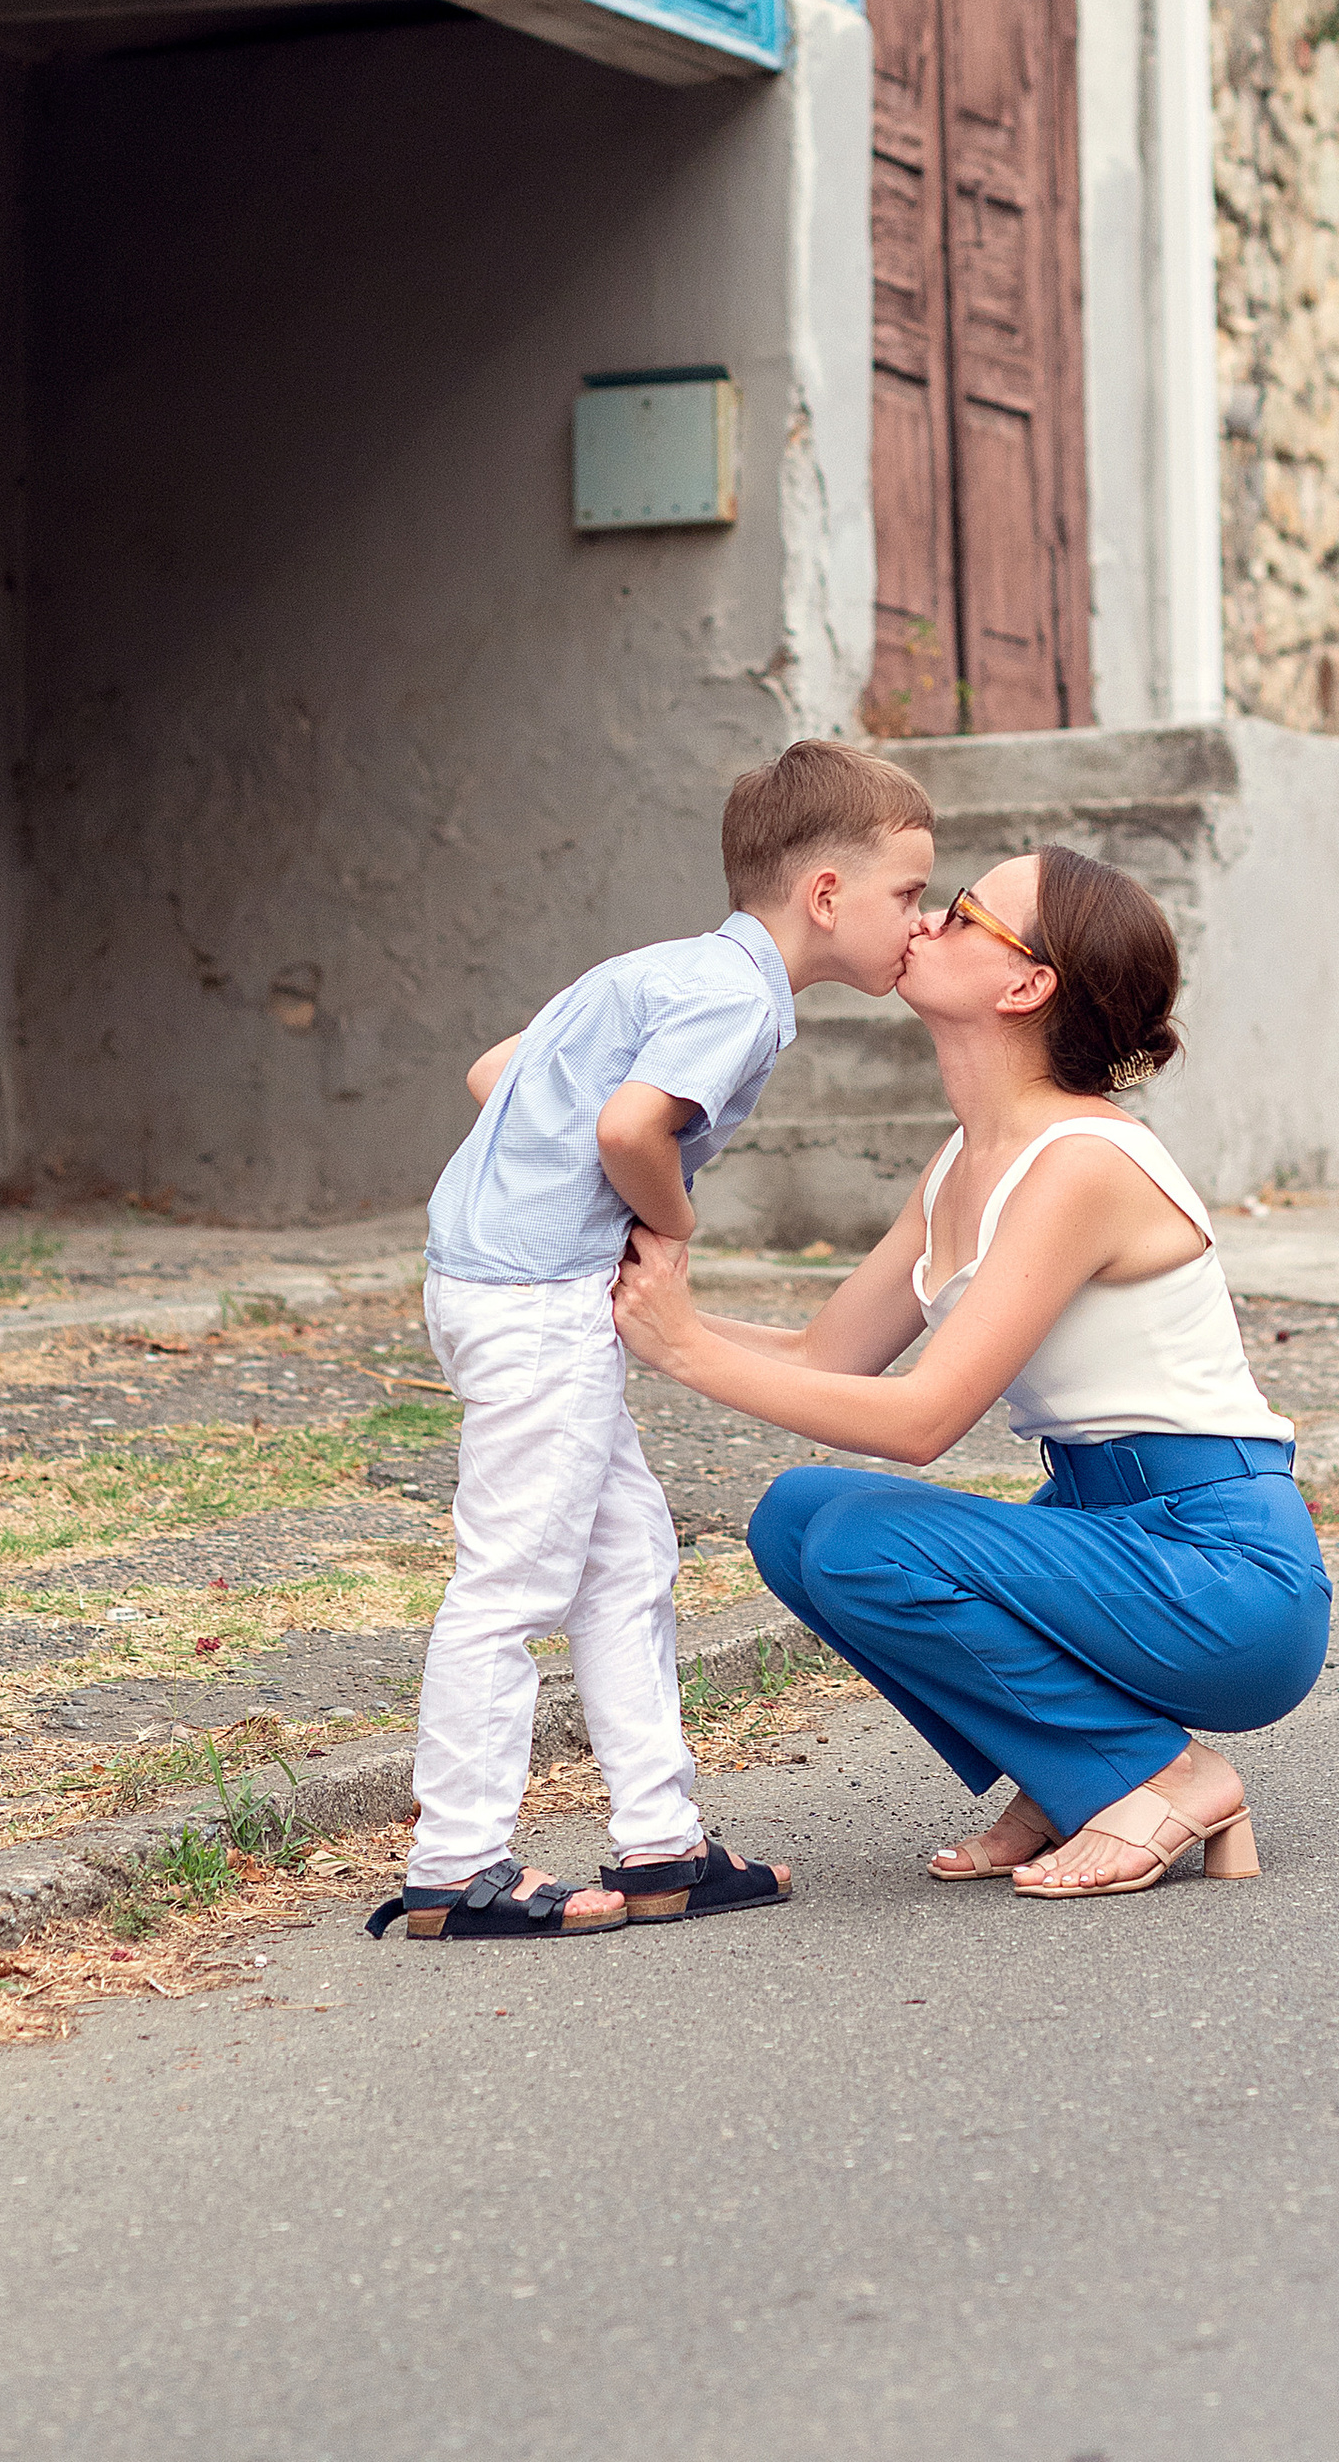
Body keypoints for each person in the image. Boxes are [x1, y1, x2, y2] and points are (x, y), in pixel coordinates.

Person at [611, 843, 1330, 1901]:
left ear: (1026, 982)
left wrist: (685, 1346)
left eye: (960, 913)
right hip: (1111, 1538)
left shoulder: (1082, 1161)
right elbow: (826, 1357)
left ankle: (1159, 1775)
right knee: (797, 1515)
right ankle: (1072, 1770)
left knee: (862, 1538)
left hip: (1223, 1576)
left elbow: (918, 1419)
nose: (923, 924)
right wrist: (649, 1316)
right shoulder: (965, 1158)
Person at [365, 739, 939, 1943]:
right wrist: (666, 1223)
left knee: (625, 1557)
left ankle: (661, 1845)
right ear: (825, 895)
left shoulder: (664, 969)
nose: (920, 922)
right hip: (532, 1302)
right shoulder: (735, 998)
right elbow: (632, 1126)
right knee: (513, 1577)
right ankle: (453, 1866)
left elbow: (495, 1074)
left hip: (494, 1285)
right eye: (910, 894)